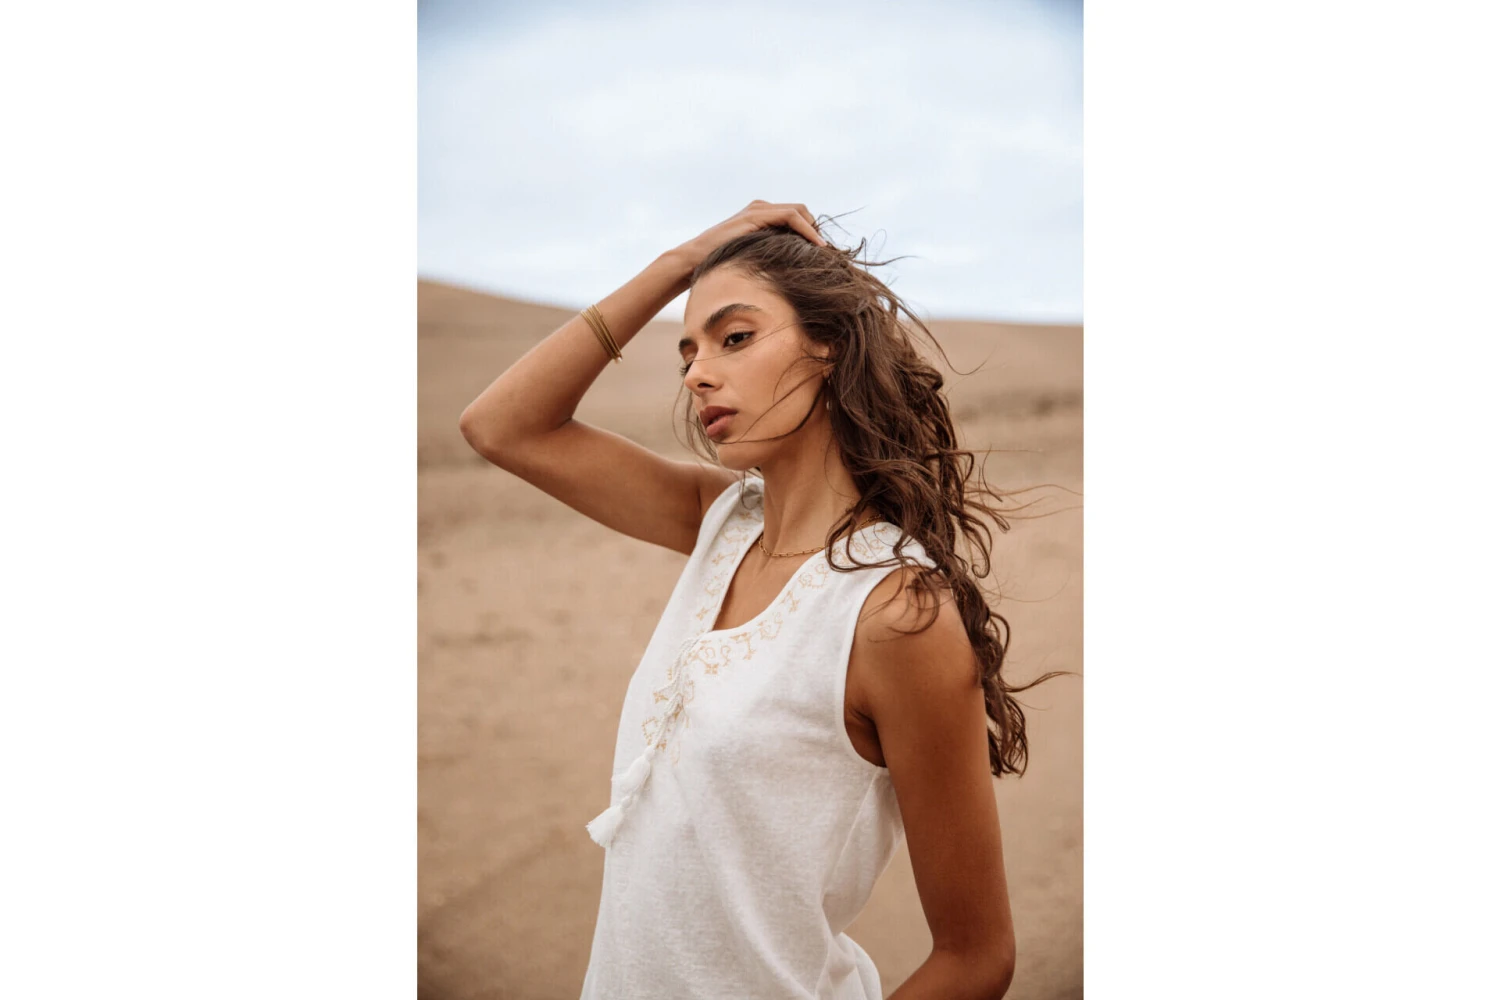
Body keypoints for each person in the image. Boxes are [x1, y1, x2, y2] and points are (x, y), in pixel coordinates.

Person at [459, 200, 1065, 999]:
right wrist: (682, 262)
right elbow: (502, 427)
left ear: (830, 346)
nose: (697, 374)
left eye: (735, 338)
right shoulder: (722, 523)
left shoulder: (892, 612)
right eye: (687, 352)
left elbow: (977, 956)